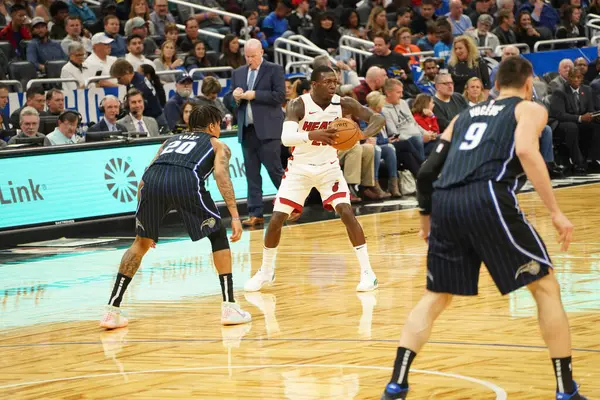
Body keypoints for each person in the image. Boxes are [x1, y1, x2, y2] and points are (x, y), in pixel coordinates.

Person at [380, 56, 587, 400]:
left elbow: (429, 169)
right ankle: (566, 389)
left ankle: (396, 384)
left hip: (446, 201)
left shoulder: (463, 116)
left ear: (493, 86)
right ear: (527, 83)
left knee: (435, 296)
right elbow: (525, 150)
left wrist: (425, 217)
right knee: (545, 288)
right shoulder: (529, 109)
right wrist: (555, 211)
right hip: (488, 195)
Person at [100, 105, 252, 329]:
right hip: (186, 178)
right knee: (218, 234)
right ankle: (229, 306)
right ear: (212, 126)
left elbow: (143, 180)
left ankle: (111, 311)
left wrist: (145, 228)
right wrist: (235, 216)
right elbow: (221, 175)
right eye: (219, 124)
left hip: (153, 180)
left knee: (139, 243)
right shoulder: (217, 144)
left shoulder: (169, 141)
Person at [244, 66, 386, 293]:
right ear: (315, 84)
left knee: (347, 212)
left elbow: (378, 118)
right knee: (277, 218)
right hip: (299, 169)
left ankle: (368, 272)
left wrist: (361, 134)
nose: (333, 85)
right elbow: (286, 137)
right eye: (327, 81)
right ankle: (266, 270)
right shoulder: (298, 105)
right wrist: (312, 134)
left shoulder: (344, 103)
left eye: (335, 81)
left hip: (329, 168)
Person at [226, 38, 286, 227]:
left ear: (261, 52)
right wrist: (234, 97)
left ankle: (292, 206)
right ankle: (255, 213)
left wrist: (256, 95)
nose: (250, 59)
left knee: (275, 170)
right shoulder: (238, 73)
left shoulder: (274, 69)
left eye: (253, 56)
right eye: (247, 56)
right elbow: (228, 100)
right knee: (252, 174)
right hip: (247, 130)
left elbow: (280, 96)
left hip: (268, 130)